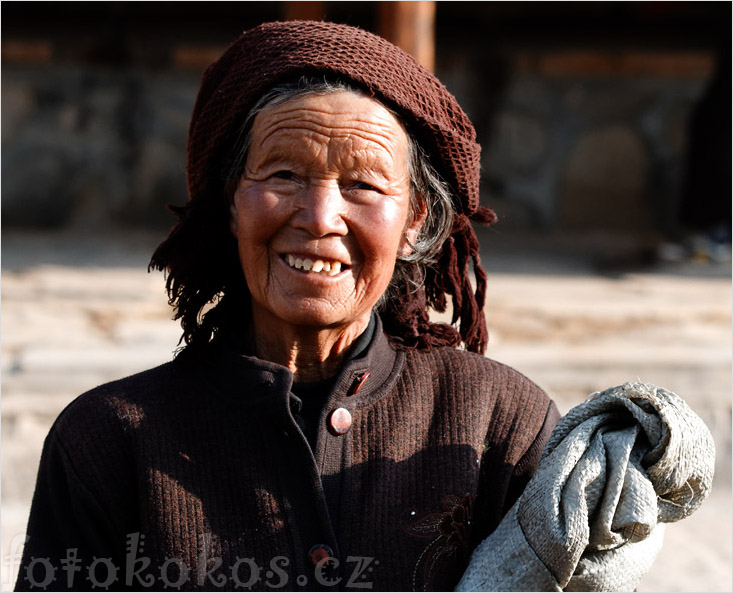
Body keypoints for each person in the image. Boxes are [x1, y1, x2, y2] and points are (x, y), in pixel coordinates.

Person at [16, 21, 559, 592]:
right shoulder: (107, 441)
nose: (320, 216)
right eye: (283, 174)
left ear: (414, 221)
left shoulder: (501, 424)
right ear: (231, 203)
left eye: (364, 186)